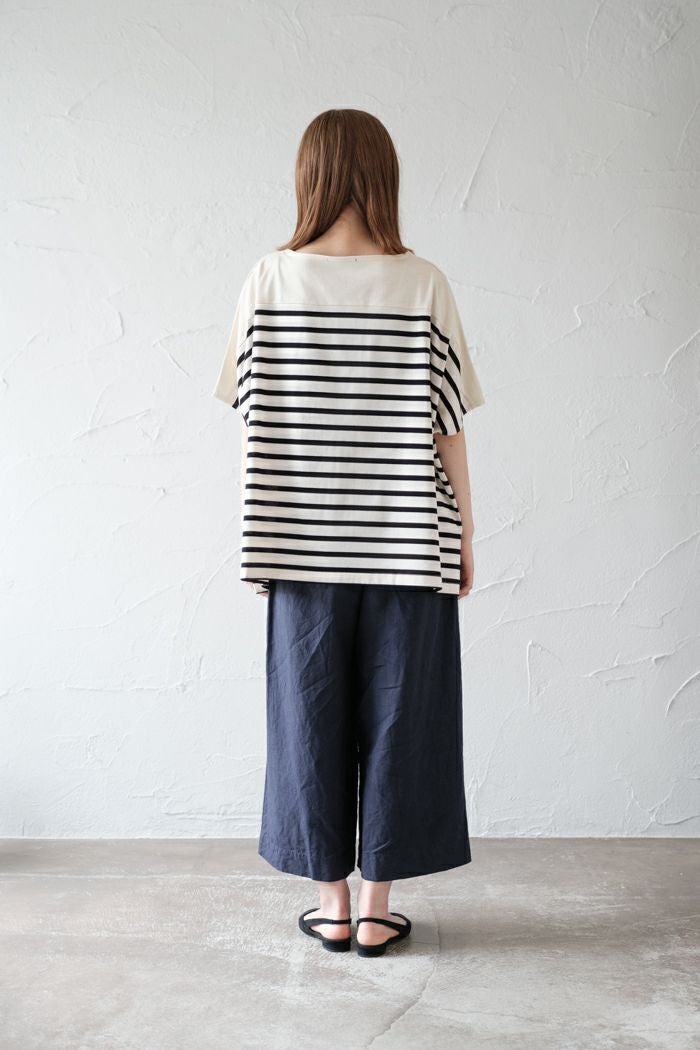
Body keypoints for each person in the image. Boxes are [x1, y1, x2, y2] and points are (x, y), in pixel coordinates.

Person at [212, 109, 485, 958]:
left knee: (308, 719)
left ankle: (330, 907)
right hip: (409, 544)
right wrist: (466, 534)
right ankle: (375, 911)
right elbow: (448, 426)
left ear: (310, 177)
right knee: (405, 722)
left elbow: (252, 416)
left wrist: (263, 531)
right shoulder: (424, 283)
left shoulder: (268, 279)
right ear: (382, 178)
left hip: (301, 547)